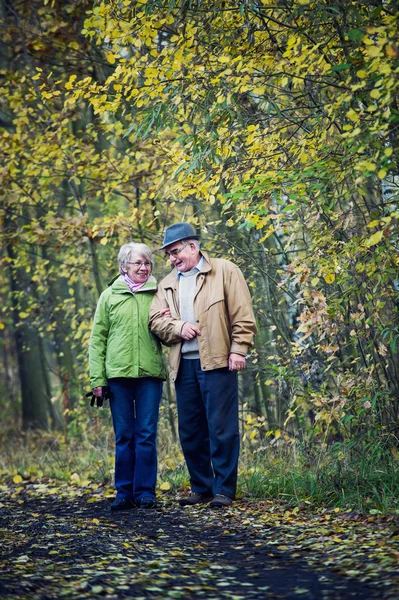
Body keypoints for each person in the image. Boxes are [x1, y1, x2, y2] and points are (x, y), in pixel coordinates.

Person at [149, 223, 257, 508]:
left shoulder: (225, 271)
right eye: (169, 255)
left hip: (219, 362)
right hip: (183, 366)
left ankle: (224, 490)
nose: (172, 259)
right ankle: (201, 487)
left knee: (221, 429)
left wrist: (239, 350)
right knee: (191, 430)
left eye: (175, 252)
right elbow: (155, 321)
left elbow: (242, 314)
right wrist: (178, 326)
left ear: (192, 247)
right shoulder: (167, 284)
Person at [89, 242, 166, 511]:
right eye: (138, 263)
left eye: (147, 263)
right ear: (124, 266)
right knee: (124, 436)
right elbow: (97, 340)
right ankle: (124, 492)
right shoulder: (109, 296)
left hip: (150, 376)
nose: (144, 268)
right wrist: (97, 379)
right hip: (117, 377)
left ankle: (146, 492)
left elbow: (167, 330)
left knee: (146, 434)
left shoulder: (159, 294)